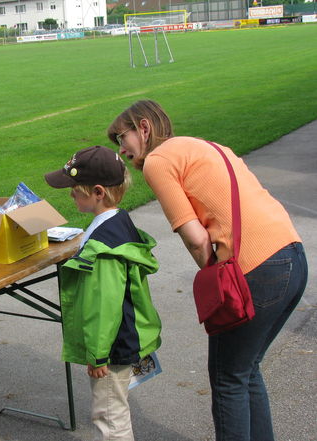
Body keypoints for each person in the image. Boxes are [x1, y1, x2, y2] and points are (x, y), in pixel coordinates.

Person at [107, 100, 308, 441]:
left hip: (257, 270)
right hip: (292, 257)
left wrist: (215, 279)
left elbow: (197, 239)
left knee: (228, 379)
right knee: (245, 370)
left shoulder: (158, 160)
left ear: (143, 128)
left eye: (121, 138)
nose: (121, 149)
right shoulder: (207, 146)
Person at [44, 145, 162, 441]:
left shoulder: (103, 249)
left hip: (110, 348)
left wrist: (97, 356)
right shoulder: (118, 222)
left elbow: (103, 305)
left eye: (74, 189)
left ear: (98, 192)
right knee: (114, 410)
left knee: (108, 417)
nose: (70, 194)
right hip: (120, 339)